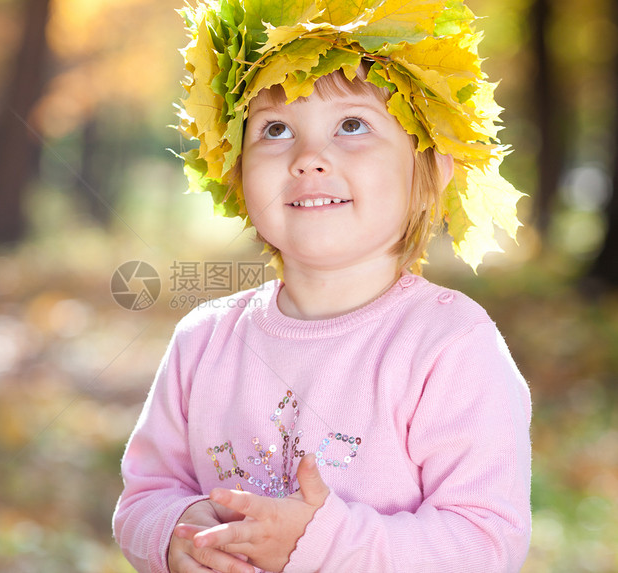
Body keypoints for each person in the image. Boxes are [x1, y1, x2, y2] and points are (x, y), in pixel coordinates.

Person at [113, 1, 532, 572]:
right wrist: (175, 533)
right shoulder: (203, 341)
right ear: (235, 170)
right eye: (276, 129)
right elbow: (145, 495)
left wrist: (322, 544)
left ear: (431, 167)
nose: (310, 157)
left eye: (353, 125)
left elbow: (485, 545)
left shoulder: (449, 345)